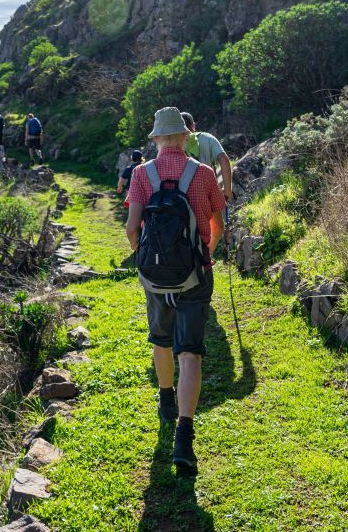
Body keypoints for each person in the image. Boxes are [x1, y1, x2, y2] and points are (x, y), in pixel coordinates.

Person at [126, 107, 226, 472]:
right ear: (185, 137)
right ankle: (185, 436)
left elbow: (131, 229)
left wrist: (148, 261)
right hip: (196, 275)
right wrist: (207, 253)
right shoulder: (201, 173)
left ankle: (165, 399)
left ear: (156, 140)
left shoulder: (141, 173)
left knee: (161, 340)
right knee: (191, 354)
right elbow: (218, 223)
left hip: (155, 279)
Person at [180, 112, 234, 202]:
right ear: (193, 125)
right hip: (209, 195)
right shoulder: (208, 138)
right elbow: (224, 160)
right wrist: (227, 192)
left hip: (185, 199)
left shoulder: (175, 144)